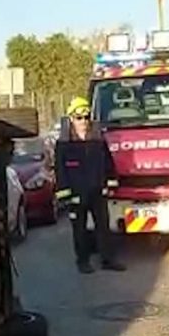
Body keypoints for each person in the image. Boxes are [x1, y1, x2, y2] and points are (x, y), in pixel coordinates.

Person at [55, 97, 125, 274]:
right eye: (79, 118)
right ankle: (83, 261)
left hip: (97, 191)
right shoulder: (63, 144)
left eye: (86, 117)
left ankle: (107, 260)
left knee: (103, 226)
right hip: (77, 194)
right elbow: (60, 171)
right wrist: (66, 195)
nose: (84, 122)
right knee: (79, 230)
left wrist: (111, 183)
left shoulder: (98, 140)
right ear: (71, 119)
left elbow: (108, 163)